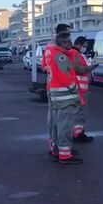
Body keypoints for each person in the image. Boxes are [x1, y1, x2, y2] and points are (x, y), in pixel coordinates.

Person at [46, 29, 83, 164]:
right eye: (67, 42)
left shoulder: (53, 54)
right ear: (62, 43)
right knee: (65, 126)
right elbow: (65, 76)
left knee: (57, 125)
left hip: (56, 96)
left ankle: (58, 150)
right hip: (64, 97)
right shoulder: (60, 57)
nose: (70, 44)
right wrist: (74, 89)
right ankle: (65, 155)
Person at [44, 24, 71, 156]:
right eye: (68, 33)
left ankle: (54, 144)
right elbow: (63, 71)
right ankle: (58, 146)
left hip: (51, 85)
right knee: (59, 120)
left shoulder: (48, 48)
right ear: (62, 34)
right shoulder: (57, 49)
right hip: (59, 88)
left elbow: (44, 66)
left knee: (53, 117)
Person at [71, 36, 96, 143]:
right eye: (84, 46)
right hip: (78, 88)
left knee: (80, 113)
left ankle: (79, 132)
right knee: (79, 113)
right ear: (79, 44)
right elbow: (78, 69)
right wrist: (90, 68)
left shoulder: (78, 54)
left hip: (81, 88)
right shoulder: (75, 54)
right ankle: (78, 134)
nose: (85, 48)